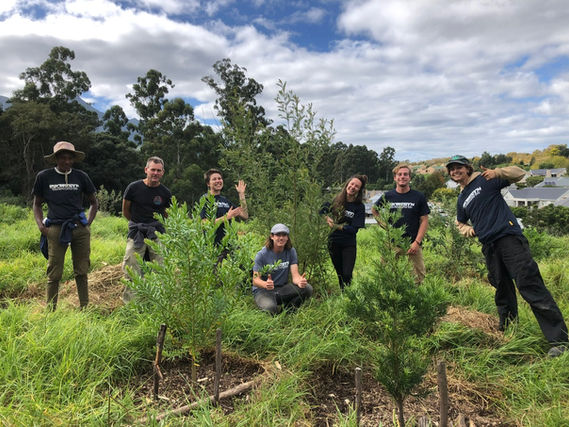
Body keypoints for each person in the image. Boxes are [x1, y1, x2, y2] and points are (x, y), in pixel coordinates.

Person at [446, 154, 568, 357]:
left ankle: (560, 341)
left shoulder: (486, 179)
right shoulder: (461, 199)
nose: (455, 171)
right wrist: (470, 230)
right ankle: (508, 332)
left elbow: (520, 174)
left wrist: (498, 172)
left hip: (509, 239)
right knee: (502, 289)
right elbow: (460, 223)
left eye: (458, 167)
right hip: (489, 246)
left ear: (467, 168)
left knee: (529, 284)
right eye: (451, 169)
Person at [32, 141, 98, 310]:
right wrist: (41, 226)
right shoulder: (44, 177)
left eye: (70, 158)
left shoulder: (81, 176)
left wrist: (87, 223)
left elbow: (93, 202)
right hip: (56, 228)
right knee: (54, 272)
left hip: (79, 228)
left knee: (82, 270)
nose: (67, 161)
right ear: (56, 159)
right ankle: (50, 311)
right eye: (63, 158)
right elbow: (37, 204)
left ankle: (84, 308)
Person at [121, 156, 172, 302]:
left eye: (158, 170)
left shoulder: (165, 193)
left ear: (162, 172)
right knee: (131, 270)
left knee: (162, 270)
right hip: (136, 232)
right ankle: (131, 305)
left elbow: (167, 215)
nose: (155, 173)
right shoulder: (133, 188)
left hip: (157, 233)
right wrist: (138, 223)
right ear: (146, 170)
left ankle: (160, 304)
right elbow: (126, 211)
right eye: (153, 170)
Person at [372, 164, 430, 284]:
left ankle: (415, 295)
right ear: (395, 178)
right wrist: (384, 225)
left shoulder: (418, 196)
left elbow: (424, 220)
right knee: (386, 276)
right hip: (392, 243)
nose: (402, 177)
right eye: (399, 174)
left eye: (405, 174)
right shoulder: (388, 196)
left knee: (418, 279)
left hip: (412, 244)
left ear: (409, 178)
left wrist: (417, 242)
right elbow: (374, 210)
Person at [252, 224, 313, 314]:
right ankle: (271, 308)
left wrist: (300, 281)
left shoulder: (291, 251)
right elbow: (255, 280)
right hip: (264, 291)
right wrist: (265, 284)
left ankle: (288, 311)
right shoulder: (262, 255)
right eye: (278, 235)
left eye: (284, 235)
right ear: (272, 236)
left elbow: (295, 276)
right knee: (271, 308)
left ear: (287, 237)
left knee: (307, 288)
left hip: (282, 289)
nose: (281, 238)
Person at [321, 175, 367, 289]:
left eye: (357, 186)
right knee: (340, 273)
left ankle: (348, 294)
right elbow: (321, 210)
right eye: (352, 184)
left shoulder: (359, 207)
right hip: (333, 242)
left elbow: (354, 229)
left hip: (348, 244)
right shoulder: (336, 200)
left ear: (359, 190)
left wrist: (337, 226)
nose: (353, 187)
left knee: (347, 274)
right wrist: (327, 218)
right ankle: (344, 294)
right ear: (347, 184)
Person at [200, 168, 248, 253]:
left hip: (230, 244)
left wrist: (241, 194)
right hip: (214, 247)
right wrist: (226, 217)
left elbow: (244, 215)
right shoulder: (205, 199)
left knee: (247, 261)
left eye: (219, 178)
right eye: (214, 179)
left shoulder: (225, 200)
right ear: (208, 183)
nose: (218, 181)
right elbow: (204, 224)